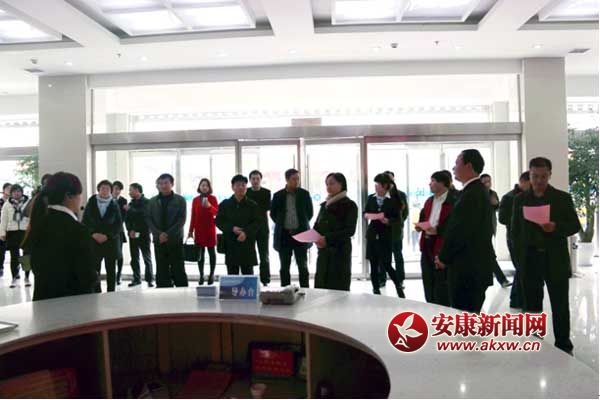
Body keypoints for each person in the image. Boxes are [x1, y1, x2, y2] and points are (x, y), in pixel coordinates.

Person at [511, 157, 581, 355]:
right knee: (531, 305)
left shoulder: (562, 198)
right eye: (535, 176)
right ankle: (534, 343)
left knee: (560, 305)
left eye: (543, 176)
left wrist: (555, 227)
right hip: (530, 259)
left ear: (550, 175)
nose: (539, 181)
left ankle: (563, 346)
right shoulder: (520, 200)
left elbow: (574, 225)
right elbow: (515, 232)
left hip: (555, 259)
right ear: (530, 175)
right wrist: (518, 260)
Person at [435, 149, 494, 313]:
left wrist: (443, 257)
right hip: (471, 266)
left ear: (468, 166)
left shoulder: (472, 194)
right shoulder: (473, 191)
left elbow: (460, 231)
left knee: (465, 314)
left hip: (469, 269)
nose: (454, 168)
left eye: (457, 163)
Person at [23, 172, 97, 301]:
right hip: (72, 303)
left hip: (43, 300)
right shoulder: (78, 230)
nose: (80, 199)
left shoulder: (39, 223)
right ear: (68, 196)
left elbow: (31, 261)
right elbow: (86, 276)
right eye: (79, 194)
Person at [314, 173, 358, 291]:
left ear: (341, 184)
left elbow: (350, 230)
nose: (328, 187)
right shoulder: (325, 205)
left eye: (332, 183)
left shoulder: (349, 205)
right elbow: (317, 225)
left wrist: (327, 238)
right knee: (321, 286)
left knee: (338, 288)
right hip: (323, 252)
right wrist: (314, 237)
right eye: (327, 184)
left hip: (339, 252)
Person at [271, 169, 314, 288]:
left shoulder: (304, 194)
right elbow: (273, 214)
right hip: (284, 235)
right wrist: (284, 224)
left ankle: (305, 289)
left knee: (303, 266)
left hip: (301, 235)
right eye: (293, 179)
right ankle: (285, 290)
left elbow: (309, 213)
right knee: (284, 267)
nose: (296, 181)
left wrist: (300, 225)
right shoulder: (278, 195)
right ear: (287, 180)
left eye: (298, 179)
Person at [417, 171, 454, 306]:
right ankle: (430, 305)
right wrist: (420, 226)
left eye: (433, 181)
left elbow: (454, 225)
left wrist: (438, 230)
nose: (430, 184)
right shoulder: (429, 201)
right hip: (427, 242)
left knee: (441, 282)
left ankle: (442, 310)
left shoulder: (453, 201)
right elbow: (424, 218)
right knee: (428, 279)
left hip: (442, 244)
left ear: (442, 183)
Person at [364, 173, 404, 297]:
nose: (376, 187)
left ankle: (398, 286)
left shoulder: (393, 200)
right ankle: (375, 289)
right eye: (375, 184)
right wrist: (368, 215)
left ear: (385, 186)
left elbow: (398, 218)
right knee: (373, 263)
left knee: (386, 263)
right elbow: (366, 212)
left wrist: (388, 221)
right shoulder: (371, 198)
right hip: (372, 234)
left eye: (378, 184)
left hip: (385, 235)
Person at [146, 174, 188, 288]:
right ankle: (163, 292)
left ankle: (182, 293)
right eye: (161, 183)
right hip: (159, 240)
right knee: (161, 268)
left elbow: (182, 219)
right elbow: (148, 219)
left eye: (166, 183)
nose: (163, 186)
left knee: (178, 268)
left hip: (175, 240)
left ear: (172, 184)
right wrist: (159, 234)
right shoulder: (152, 201)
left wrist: (167, 234)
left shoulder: (180, 200)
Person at [215, 175, 261, 275]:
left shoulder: (252, 205)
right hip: (231, 243)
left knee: (248, 275)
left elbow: (257, 222)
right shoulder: (225, 204)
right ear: (233, 187)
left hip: (247, 243)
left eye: (243, 185)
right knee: (232, 275)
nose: (241, 187)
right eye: (238, 185)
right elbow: (219, 221)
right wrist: (232, 228)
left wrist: (246, 232)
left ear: (246, 187)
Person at [82, 180, 122, 293]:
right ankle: (96, 291)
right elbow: (85, 221)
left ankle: (111, 292)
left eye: (107, 189)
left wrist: (107, 236)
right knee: (95, 269)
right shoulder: (91, 203)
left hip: (110, 241)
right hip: (94, 241)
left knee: (111, 269)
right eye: (102, 188)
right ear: (98, 190)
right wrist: (93, 234)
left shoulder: (114, 204)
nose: (105, 191)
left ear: (111, 191)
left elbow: (118, 224)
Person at [499, 171, 530, 308]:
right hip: (514, 238)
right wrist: (518, 217)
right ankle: (517, 299)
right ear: (522, 181)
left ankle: (518, 299)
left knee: (523, 269)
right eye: (530, 182)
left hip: (529, 237)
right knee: (520, 267)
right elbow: (502, 219)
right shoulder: (509, 197)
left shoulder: (531, 196)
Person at [480, 173, 511, 288]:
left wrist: (496, 203)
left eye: (489, 181)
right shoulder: (477, 194)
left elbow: (497, 208)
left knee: (488, 254)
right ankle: (502, 279)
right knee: (489, 254)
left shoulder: (493, 194)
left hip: (490, 227)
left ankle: (501, 279)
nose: (487, 184)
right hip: (480, 229)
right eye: (484, 182)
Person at [188, 178, 218, 285]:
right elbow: (193, 216)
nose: (204, 187)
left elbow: (217, 213)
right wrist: (190, 230)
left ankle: (211, 275)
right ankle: (201, 275)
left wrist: (209, 206)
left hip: (210, 229)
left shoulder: (213, 198)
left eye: (206, 185)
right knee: (200, 254)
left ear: (209, 188)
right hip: (199, 230)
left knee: (211, 253)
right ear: (199, 187)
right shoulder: (195, 200)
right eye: (202, 185)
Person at [0, 184, 31, 288]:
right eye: (14, 192)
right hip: (12, 232)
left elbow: (32, 217)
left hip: (25, 231)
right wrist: (2, 233)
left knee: (26, 256)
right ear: (11, 193)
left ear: (22, 192)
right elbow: (3, 220)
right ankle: (14, 277)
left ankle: (26, 277)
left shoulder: (28, 202)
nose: (16, 193)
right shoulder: (7, 204)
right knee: (14, 256)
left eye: (18, 191)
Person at [383, 171, 408, 289]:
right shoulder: (378, 195)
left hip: (396, 230)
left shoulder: (401, 195)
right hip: (382, 231)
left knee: (398, 255)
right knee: (382, 256)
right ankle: (381, 279)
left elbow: (405, 212)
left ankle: (400, 279)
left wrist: (397, 222)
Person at [246, 170, 272, 286]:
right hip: (250, 227)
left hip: (262, 228)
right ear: (250, 180)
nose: (255, 181)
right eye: (253, 179)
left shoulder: (266, 192)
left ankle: (265, 280)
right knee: (249, 254)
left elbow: (266, 208)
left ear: (261, 180)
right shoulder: (246, 192)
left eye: (257, 178)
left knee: (264, 255)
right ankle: (250, 278)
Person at [125, 183, 154, 287]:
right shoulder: (131, 203)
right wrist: (129, 230)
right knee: (134, 257)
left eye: (131, 190)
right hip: (133, 234)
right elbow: (127, 219)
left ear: (137, 190)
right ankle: (136, 279)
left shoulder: (147, 202)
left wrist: (130, 210)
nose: (129, 192)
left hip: (144, 233)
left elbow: (143, 215)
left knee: (147, 257)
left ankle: (150, 279)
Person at [112, 180, 128, 286]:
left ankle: (118, 276)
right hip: (107, 231)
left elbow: (124, 217)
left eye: (119, 189)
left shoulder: (123, 201)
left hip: (119, 230)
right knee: (110, 255)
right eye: (115, 189)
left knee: (119, 254)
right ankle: (112, 276)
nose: (117, 191)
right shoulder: (107, 199)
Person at [0, 182, 11, 278]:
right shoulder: (1, 202)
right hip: (3, 229)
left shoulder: (16, 202)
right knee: (1, 250)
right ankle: (0, 268)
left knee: (19, 252)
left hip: (16, 231)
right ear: (3, 190)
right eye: (8, 189)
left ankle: (25, 272)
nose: (10, 191)